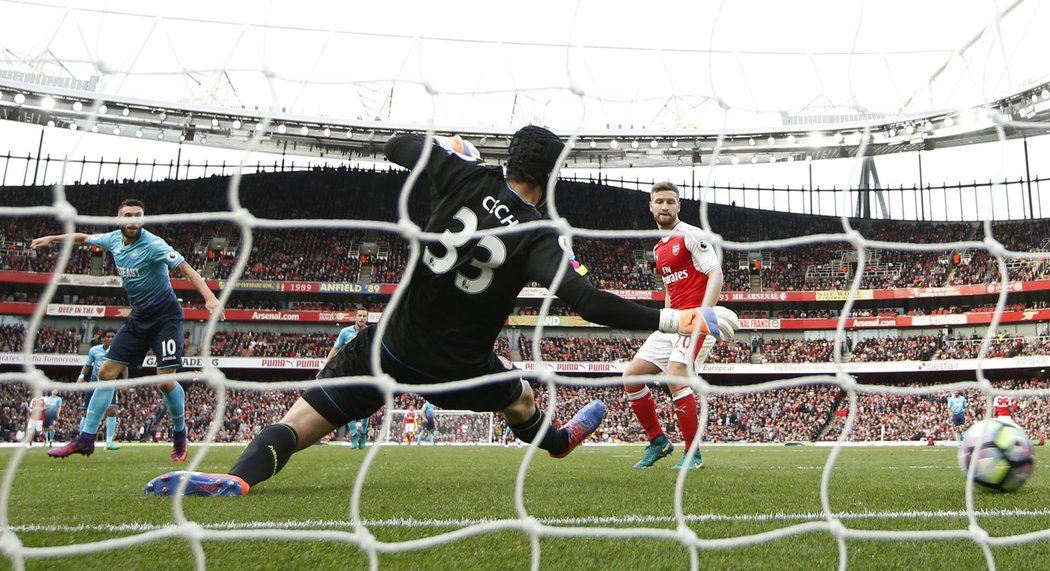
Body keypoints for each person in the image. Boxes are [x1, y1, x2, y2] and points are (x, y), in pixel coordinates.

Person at [144, 126, 737, 497]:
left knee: (300, 425)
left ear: (507, 161)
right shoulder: (539, 234)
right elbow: (588, 303)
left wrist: (446, 148)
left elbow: (395, 146)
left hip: (387, 347)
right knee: (522, 398)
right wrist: (680, 319)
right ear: (550, 176)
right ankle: (557, 442)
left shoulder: (461, 174)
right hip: (460, 370)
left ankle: (239, 475)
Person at [32, 198, 224, 461]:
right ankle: (86, 439)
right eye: (127, 215)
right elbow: (83, 238)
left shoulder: (154, 244)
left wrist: (210, 298)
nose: (132, 220)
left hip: (166, 318)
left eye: (137, 215)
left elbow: (186, 269)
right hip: (140, 318)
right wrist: (51, 239)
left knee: (165, 382)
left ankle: (180, 434)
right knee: (106, 371)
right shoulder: (112, 239)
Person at [623, 181, 724, 470]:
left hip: (696, 319)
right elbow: (671, 286)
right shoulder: (658, 249)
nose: (664, 206)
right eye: (659, 201)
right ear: (651, 206)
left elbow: (715, 274)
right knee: (631, 376)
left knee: (675, 374)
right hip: (673, 321)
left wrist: (704, 313)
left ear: (679, 206)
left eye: (670, 201)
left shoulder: (692, 236)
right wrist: (667, 314)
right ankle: (658, 442)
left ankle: (694, 454)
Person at [322, 308, 371, 448]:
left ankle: (363, 434)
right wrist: (326, 365)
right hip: (349, 372)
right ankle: (354, 435)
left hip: (366, 372)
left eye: (364, 316)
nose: (362, 318)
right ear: (355, 317)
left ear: (366, 318)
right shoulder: (345, 332)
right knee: (347, 403)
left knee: (367, 405)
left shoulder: (370, 333)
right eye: (359, 316)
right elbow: (336, 348)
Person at [79, 329, 127, 450]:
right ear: (103, 338)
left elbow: (124, 367)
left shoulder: (119, 350)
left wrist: (125, 382)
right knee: (86, 412)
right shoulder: (94, 350)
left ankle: (109, 443)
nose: (111, 339)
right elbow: (88, 365)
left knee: (112, 410)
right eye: (108, 337)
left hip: (110, 384)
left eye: (113, 337)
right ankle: (81, 441)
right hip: (94, 383)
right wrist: (81, 377)